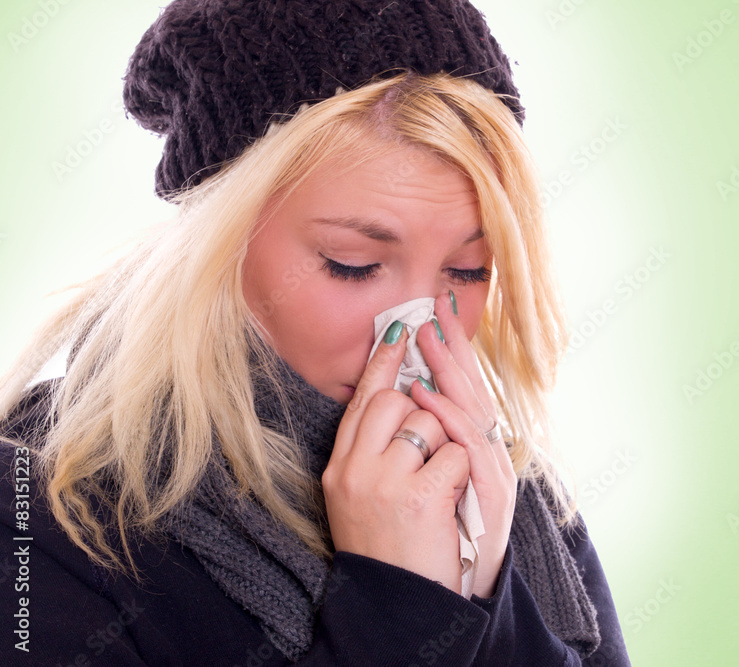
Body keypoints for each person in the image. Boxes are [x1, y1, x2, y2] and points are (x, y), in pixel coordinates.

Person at [0, 0, 630, 664]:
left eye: (468, 270)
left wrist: (487, 589)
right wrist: (401, 608)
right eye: (351, 265)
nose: (414, 330)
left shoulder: (518, 502)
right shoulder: (42, 520)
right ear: (216, 248)